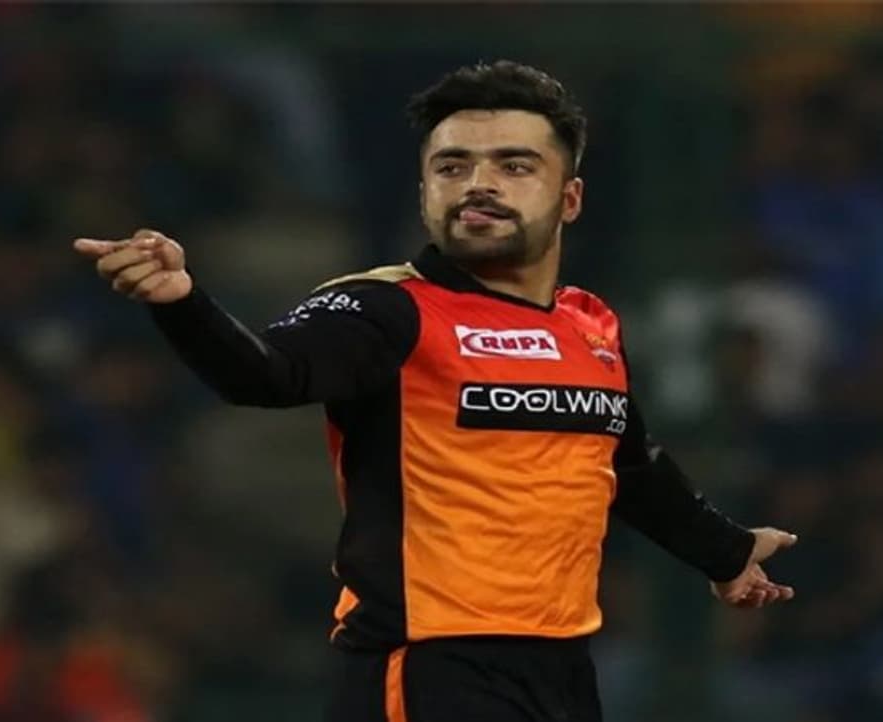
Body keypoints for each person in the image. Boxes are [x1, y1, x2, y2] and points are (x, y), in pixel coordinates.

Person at [73, 60, 797, 722]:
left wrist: (725, 551)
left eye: (514, 165)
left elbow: (626, 461)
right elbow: (265, 374)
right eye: (452, 166)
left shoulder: (589, 324)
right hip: (428, 668)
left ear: (569, 197)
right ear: (425, 194)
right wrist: (183, 303)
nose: (479, 183)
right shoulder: (385, 309)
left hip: (564, 672)